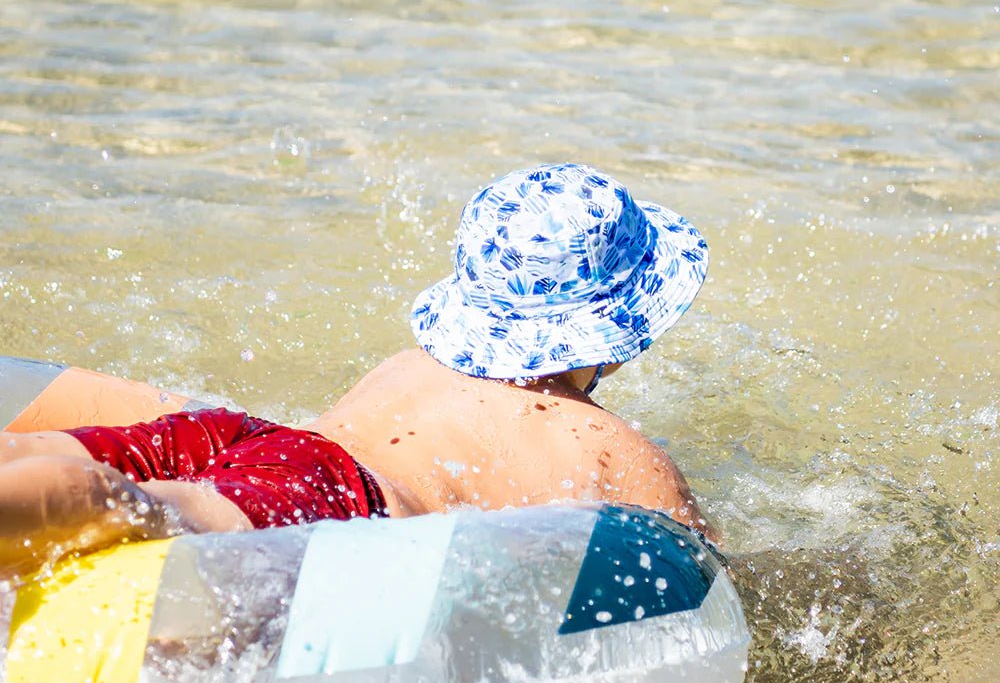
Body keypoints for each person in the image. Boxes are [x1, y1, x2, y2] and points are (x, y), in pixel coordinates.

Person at [0, 163, 716, 580]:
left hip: (249, 438)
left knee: (42, 455)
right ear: (619, 327)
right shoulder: (611, 448)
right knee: (144, 510)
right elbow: (700, 585)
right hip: (337, 498)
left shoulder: (411, 365)